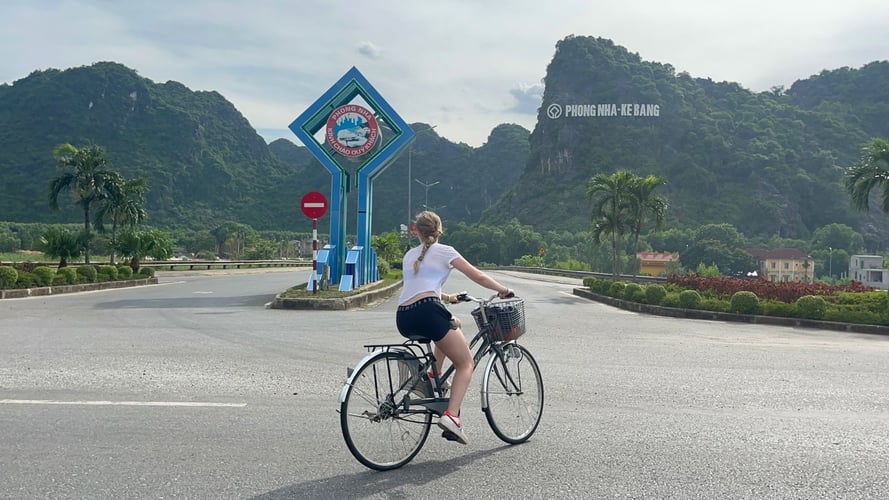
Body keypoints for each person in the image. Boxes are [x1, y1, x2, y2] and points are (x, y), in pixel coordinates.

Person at [395, 210, 513, 445]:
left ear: (416, 231)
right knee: (466, 363)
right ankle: (452, 416)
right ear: (439, 230)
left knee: (453, 322)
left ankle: (434, 372)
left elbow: (421, 288)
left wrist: (449, 298)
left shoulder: (410, 255)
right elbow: (477, 275)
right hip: (428, 312)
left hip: (404, 317)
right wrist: (502, 290)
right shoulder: (446, 251)